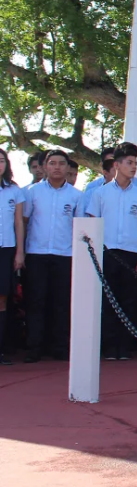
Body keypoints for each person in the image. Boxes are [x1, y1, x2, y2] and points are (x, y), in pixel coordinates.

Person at [85, 142, 137, 361]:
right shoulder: (100, 194)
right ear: (117, 165)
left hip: (131, 254)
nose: (133, 167)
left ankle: (125, 347)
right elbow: (93, 223)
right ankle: (108, 346)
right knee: (107, 300)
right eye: (129, 163)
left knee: (129, 300)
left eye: (135, 163)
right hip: (107, 253)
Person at [21, 150, 82, 362]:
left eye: (61, 163)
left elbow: (79, 227)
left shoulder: (76, 196)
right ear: (45, 167)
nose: (57, 167)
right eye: (52, 163)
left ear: (68, 167)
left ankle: (60, 347)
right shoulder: (32, 192)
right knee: (36, 301)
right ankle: (34, 347)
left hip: (65, 255)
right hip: (36, 254)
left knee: (61, 302)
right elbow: (25, 221)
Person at [0, 149, 26, 366]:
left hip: (6, 248)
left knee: (2, 298)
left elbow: (19, 223)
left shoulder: (14, 191)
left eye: (1, 161)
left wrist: (19, 251)